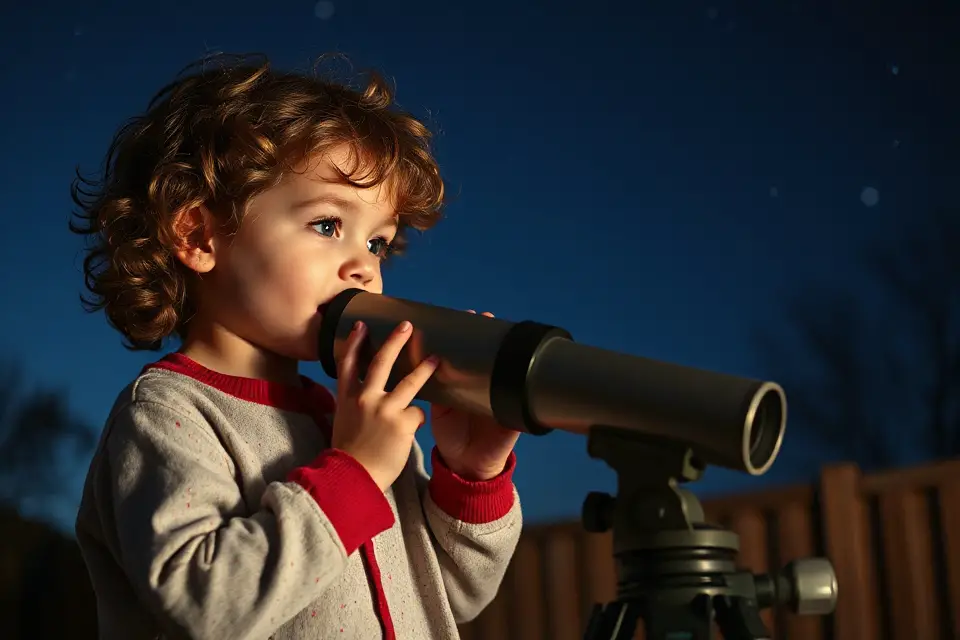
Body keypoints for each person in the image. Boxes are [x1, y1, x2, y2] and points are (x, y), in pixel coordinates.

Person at [71, 53, 523, 640]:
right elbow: (205, 606)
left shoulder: (356, 419)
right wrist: (354, 472)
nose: (364, 265)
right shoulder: (168, 415)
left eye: (380, 243)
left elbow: (454, 595)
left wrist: (469, 475)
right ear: (199, 235)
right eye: (329, 225)